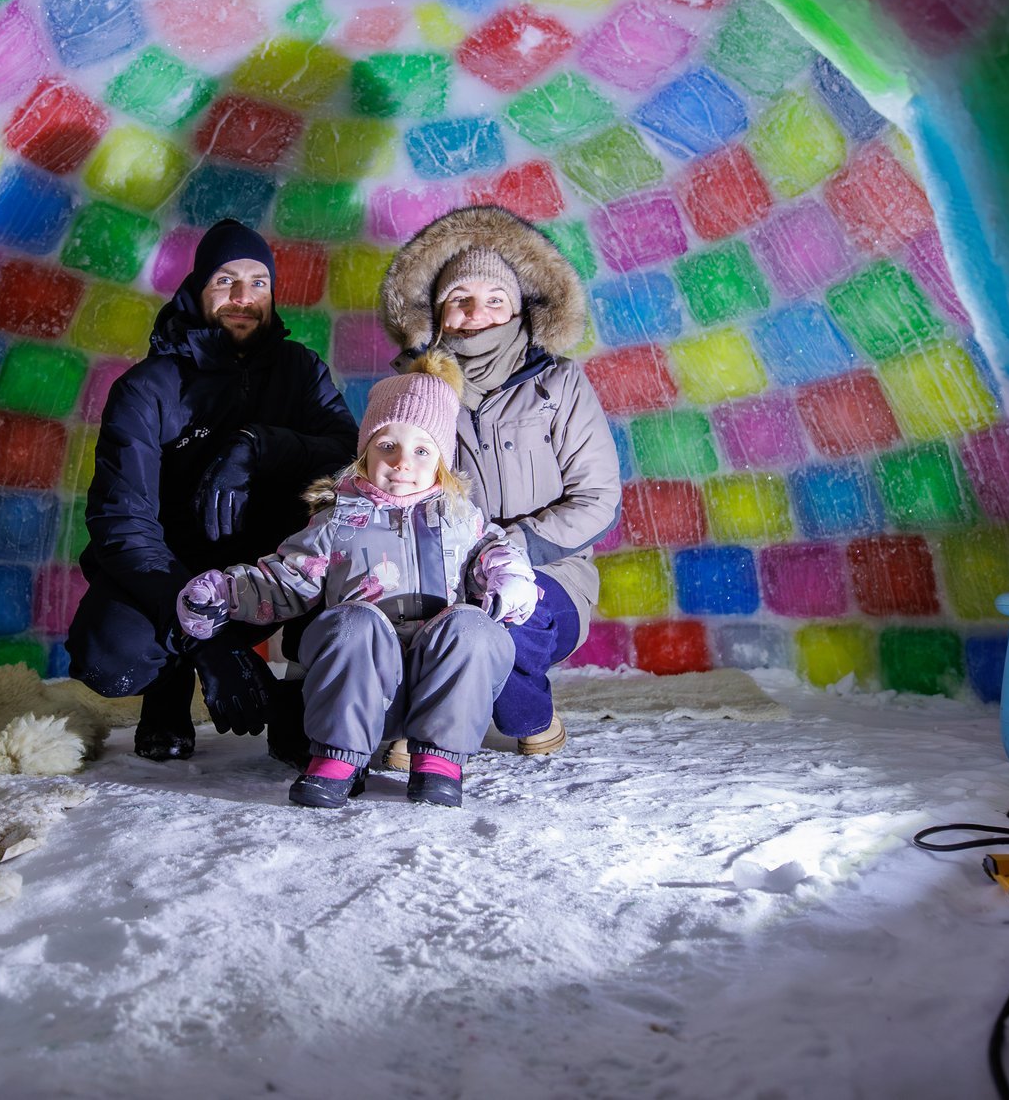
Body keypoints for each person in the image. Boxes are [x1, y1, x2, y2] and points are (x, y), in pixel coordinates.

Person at [173, 355, 537, 809]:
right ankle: (338, 759)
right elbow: (284, 581)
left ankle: (440, 762)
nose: (402, 462)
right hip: (357, 686)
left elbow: (500, 555)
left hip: (440, 682)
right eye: (388, 445)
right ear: (365, 451)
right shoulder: (336, 522)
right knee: (354, 623)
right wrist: (225, 593)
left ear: (441, 462)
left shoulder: (464, 520)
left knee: (473, 628)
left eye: (421, 451)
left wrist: (511, 579)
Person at [67, 218, 358, 762]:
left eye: (258, 283)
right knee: (110, 654)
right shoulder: (146, 388)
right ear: (196, 289)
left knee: (354, 557)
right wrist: (208, 637)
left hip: (273, 565)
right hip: (171, 569)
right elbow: (120, 523)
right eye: (225, 281)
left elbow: (350, 458)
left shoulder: (301, 370)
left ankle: (299, 698)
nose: (243, 298)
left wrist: (258, 444)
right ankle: (167, 693)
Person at [378, 204, 622, 759]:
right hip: (439, 569)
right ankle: (418, 722)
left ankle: (528, 713)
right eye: (460, 299)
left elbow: (598, 497)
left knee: (508, 624)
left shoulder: (559, 384)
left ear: (519, 307)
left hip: (549, 568)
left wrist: (511, 547)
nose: (478, 312)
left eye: (495, 299)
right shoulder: (416, 392)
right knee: (407, 624)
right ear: (438, 315)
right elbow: (384, 486)